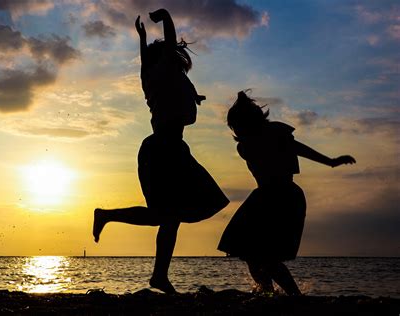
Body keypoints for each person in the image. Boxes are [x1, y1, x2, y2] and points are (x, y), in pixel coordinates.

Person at [93, 9, 229, 294]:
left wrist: (142, 39)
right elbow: (167, 44)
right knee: (169, 215)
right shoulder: (163, 70)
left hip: (166, 151)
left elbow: (146, 62)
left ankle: (156, 273)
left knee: (168, 216)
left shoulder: (151, 79)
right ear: (165, 59)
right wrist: (165, 17)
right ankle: (153, 270)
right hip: (164, 151)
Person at [218, 90, 356, 295]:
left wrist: (331, 162)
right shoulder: (245, 146)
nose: (236, 129)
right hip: (263, 198)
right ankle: (267, 292)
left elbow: (300, 149)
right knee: (249, 252)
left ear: (249, 122)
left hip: (284, 197)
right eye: (234, 126)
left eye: (238, 124)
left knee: (266, 256)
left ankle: (294, 295)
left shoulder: (274, 134)